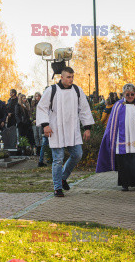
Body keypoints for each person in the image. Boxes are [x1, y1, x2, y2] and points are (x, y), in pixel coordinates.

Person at [36, 67, 95, 197]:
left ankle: (63, 177)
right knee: (58, 159)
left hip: (72, 129)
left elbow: (84, 109)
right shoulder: (52, 90)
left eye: (72, 77)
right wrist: (45, 125)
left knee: (77, 154)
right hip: (56, 130)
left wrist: (87, 128)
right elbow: (41, 107)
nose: (71, 79)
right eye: (68, 77)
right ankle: (57, 187)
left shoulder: (77, 90)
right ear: (61, 77)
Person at [96, 83, 135, 191]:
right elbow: (112, 124)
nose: (130, 96)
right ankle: (125, 184)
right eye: (127, 94)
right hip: (122, 140)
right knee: (124, 161)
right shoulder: (118, 105)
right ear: (123, 94)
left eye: (132, 94)